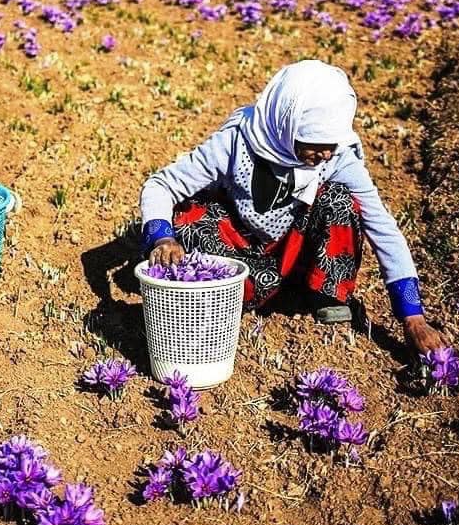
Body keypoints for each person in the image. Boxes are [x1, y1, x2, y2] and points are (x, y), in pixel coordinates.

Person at [139, 60, 443, 354]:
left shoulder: (338, 158)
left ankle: (321, 293)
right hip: (239, 245)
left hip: (295, 251)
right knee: (189, 219)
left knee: (339, 199)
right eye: (312, 142)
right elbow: (161, 186)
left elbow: (383, 229)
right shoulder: (237, 142)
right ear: (287, 122)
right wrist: (162, 238)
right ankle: (226, 292)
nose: (324, 154)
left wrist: (413, 318)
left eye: (330, 144)